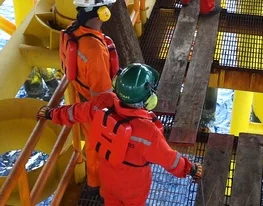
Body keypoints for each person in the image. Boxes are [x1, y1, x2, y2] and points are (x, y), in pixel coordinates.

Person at [37, 63, 204, 205]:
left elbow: (76, 112)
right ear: (147, 100)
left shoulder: (105, 102)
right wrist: (191, 169)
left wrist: (51, 114)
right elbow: (171, 160)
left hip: (107, 177)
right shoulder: (148, 133)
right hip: (133, 187)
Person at [62, 0, 117, 194]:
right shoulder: (94, 49)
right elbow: (103, 95)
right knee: (102, 148)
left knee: (92, 146)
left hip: (80, 98)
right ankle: (102, 188)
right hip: (95, 108)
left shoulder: (73, 31)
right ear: (103, 12)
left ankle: (93, 185)